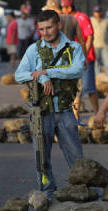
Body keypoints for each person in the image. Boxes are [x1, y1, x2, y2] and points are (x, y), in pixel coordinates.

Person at [15, 10, 85, 199]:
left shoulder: (73, 48)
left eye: (49, 27)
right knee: (42, 158)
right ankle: (46, 191)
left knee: (75, 155)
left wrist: (48, 72)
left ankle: (83, 186)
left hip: (65, 111)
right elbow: (19, 75)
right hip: (41, 112)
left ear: (59, 25)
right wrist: (40, 76)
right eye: (41, 29)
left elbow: (76, 70)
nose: (45, 33)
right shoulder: (34, 49)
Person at [62, 0, 99, 124]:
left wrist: (84, 56)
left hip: (85, 58)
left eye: (66, 7)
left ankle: (98, 115)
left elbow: (90, 37)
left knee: (90, 89)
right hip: (73, 60)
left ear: (71, 6)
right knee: (75, 90)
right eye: (62, 7)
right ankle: (75, 118)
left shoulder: (81, 18)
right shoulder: (66, 19)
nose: (64, 9)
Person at [91, 5, 108, 74]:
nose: (97, 13)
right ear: (93, 13)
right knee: (96, 64)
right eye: (96, 12)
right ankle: (98, 79)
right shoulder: (91, 20)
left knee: (107, 62)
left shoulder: (106, 20)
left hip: (105, 45)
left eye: (98, 11)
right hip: (95, 45)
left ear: (101, 12)